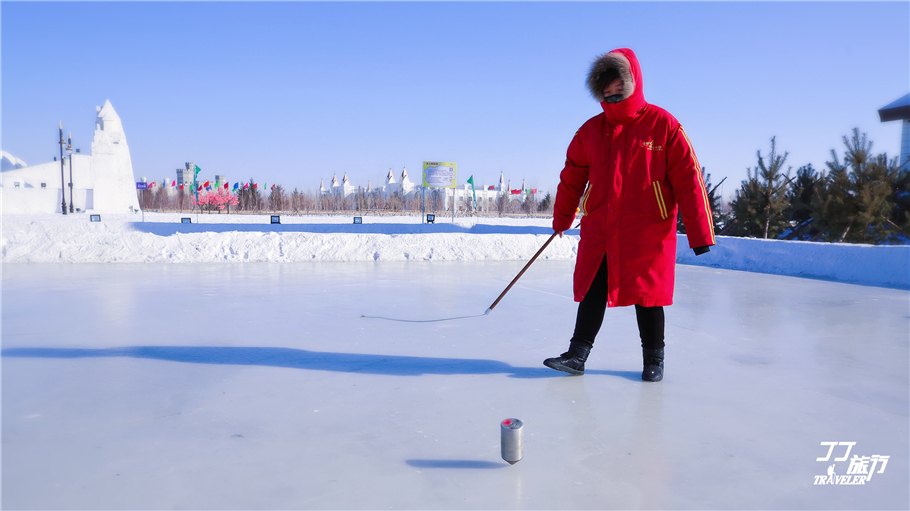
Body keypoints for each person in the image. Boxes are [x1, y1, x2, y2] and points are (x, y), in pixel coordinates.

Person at [544, 48, 715, 382]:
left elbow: (689, 180)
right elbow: (572, 177)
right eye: (606, 94)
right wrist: (562, 218)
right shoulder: (590, 131)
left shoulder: (663, 125)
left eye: (619, 89)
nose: (613, 97)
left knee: (647, 295)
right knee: (593, 288)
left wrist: (700, 232)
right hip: (602, 227)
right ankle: (577, 355)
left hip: (648, 228)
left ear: (634, 83)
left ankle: (654, 359)